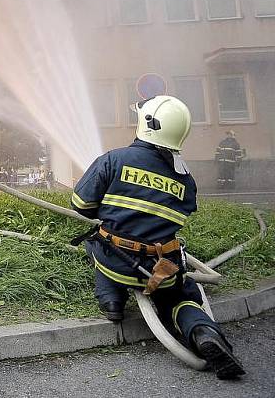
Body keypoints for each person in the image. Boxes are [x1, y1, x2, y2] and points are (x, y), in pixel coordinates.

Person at [71, 95, 244, 379]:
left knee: (97, 244)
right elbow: (181, 216)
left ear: (146, 124)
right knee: (180, 298)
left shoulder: (114, 160)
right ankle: (203, 331)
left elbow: (81, 205)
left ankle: (112, 301)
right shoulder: (185, 180)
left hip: (117, 261)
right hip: (161, 269)